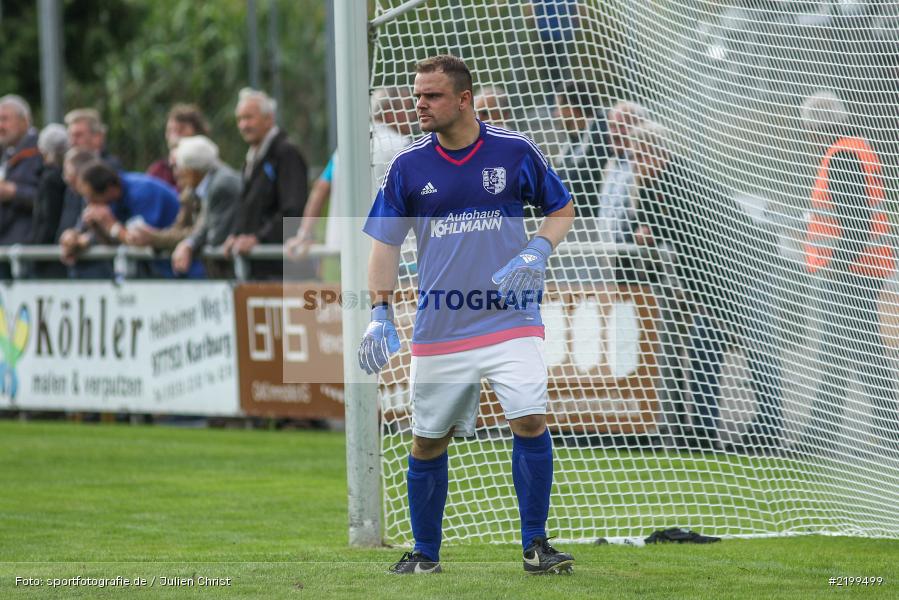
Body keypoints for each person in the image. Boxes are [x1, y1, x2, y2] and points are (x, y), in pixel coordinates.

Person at [359, 55, 576, 574]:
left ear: (463, 99)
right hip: (441, 327)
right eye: (417, 96)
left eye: (431, 96)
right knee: (428, 440)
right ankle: (426, 555)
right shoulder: (408, 166)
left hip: (510, 320)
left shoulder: (514, 151)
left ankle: (535, 545)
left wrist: (538, 249)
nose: (419, 105)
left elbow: (560, 208)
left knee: (528, 418)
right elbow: (384, 245)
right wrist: (378, 312)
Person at [630, 121, 784, 451]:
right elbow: (650, 225)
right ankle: (701, 429)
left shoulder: (684, 179)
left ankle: (768, 426)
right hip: (709, 283)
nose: (633, 162)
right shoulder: (649, 185)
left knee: (757, 349)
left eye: (637, 155)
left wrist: (699, 292)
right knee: (704, 350)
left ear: (654, 152)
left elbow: (696, 240)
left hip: (741, 273)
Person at [799, 91, 899, 455]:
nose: (807, 137)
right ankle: (889, 432)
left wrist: (837, 267)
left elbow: (855, 221)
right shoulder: (856, 147)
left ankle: (820, 437)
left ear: (817, 126)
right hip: (865, 267)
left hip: (848, 270)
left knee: (836, 353)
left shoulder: (841, 154)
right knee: (864, 351)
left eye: (808, 129)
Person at [223, 88, 307, 279]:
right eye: (239, 119)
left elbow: (293, 209)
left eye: (249, 118)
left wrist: (258, 238)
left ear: (269, 119)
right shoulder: (252, 157)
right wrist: (236, 235)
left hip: (284, 270)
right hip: (257, 269)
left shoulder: (286, 153)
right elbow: (249, 207)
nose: (243, 125)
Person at [59, 161, 179, 276]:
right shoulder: (114, 198)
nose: (91, 204)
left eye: (92, 198)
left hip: (176, 267)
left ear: (109, 189)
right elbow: (116, 240)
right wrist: (84, 236)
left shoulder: (141, 193)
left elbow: (140, 240)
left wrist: (110, 224)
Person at [166, 135, 242, 276]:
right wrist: (189, 244)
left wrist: (192, 245)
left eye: (180, 167)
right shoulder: (211, 183)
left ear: (191, 171)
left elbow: (215, 236)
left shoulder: (221, 186)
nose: (177, 173)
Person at [0, 95, 42, 265]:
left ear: (25, 121)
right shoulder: (5, 153)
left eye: (4, 119)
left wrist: (13, 192)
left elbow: (49, 198)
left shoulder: (41, 152)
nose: (0, 126)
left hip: (27, 250)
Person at [146, 104, 209, 189]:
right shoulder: (158, 170)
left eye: (180, 129)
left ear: (197, 134)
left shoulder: (205, 169)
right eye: (170, 130)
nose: (174, 136)